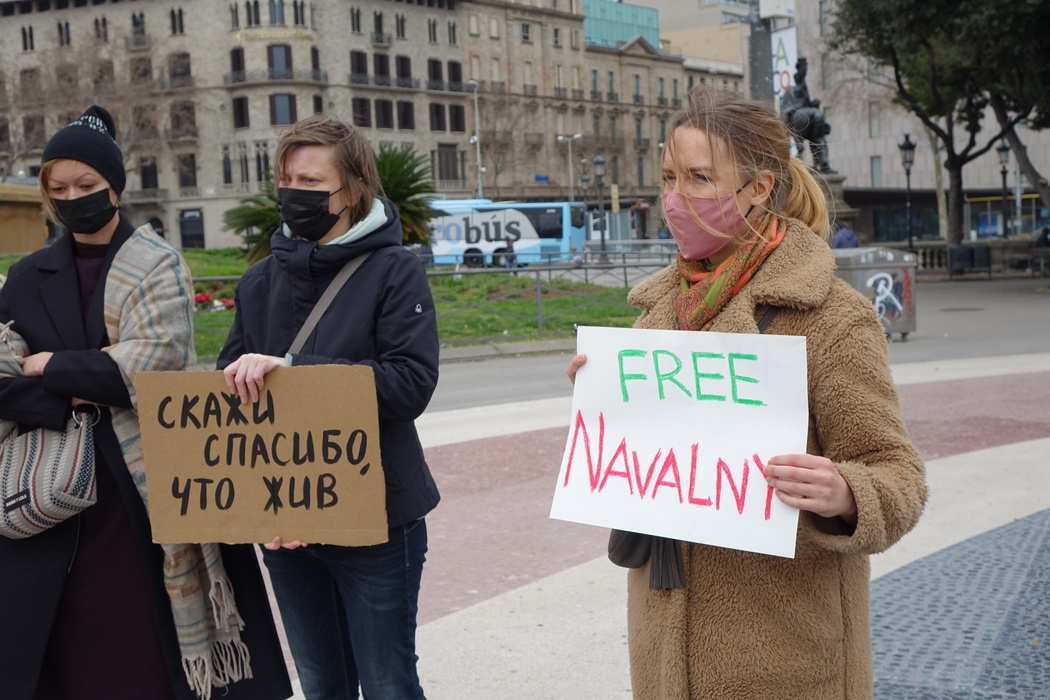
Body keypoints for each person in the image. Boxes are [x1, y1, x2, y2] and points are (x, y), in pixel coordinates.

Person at [566, 87, 927, 699]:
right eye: (669, 178)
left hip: (787, 661)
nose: (675, 199)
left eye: (700, 178)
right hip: (663, 657)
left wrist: (846, 493)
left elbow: (898, 475)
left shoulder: (832, 317)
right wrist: (604, 408)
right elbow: (647, 474)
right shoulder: (656, 316)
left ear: (758, 188)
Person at [0, 106, 291, 700]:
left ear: (115, 185)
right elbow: (5, 380)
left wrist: (48, 365)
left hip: (142, 489)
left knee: (142, 647)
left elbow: (154, 366)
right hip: (46, 489)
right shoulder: (26, 276)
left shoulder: (156, 264)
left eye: (86, 184)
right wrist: (85, 384)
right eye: (58, 189)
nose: (72, 198)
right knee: (62, 646)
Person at [218, 113, 440, 700]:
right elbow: (230, 392)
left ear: (352, 191)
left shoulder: (395, 272)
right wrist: (262, 503)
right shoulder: (258, 282)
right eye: (288, 180)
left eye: (312, 183)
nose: (295, 193)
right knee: (320, 684)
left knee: (389, 683)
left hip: (378, 521)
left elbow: (410, 385)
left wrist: (294, 372)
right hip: (285, 525)